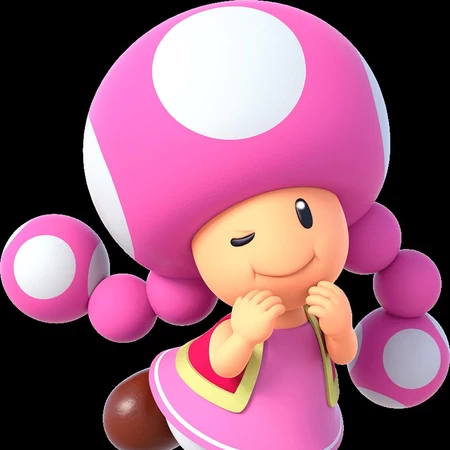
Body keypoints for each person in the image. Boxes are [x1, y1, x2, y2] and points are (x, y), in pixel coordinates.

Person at [1, 1, 447, 449]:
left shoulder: (317, 308)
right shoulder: (243, 317)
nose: (286, 250)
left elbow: (343, 355)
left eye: (304, 215)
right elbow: (225, 364)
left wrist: (340, 326)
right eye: (242, 239)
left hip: (307, 418)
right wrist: (246, 334)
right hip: (236, 422)